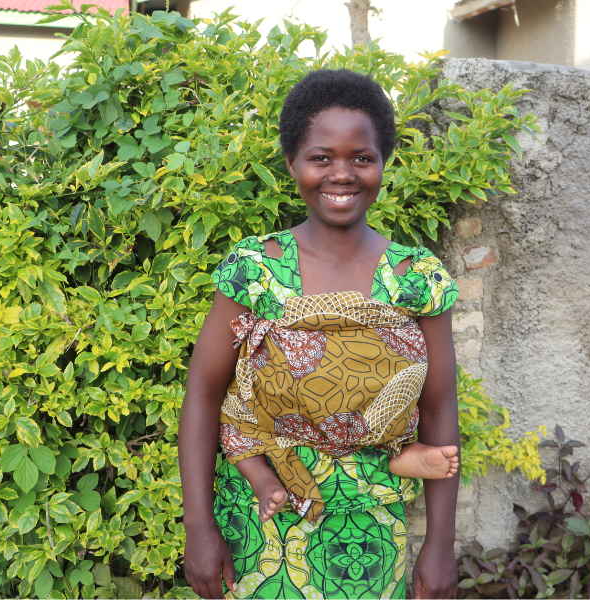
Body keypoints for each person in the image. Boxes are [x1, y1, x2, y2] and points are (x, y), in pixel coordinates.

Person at [179, 68, 462, 599]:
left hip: (370, 526)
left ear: (383, 164)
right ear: (292, 164)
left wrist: (441, 543)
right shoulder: (253, 267)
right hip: (260, 518)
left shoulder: (415, 278)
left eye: (362, 158)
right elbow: (204, 393)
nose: (342, 174)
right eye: (321, 157)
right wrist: (199, 526)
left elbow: (440, 409)